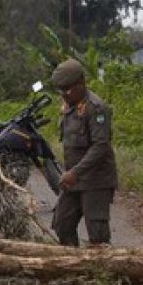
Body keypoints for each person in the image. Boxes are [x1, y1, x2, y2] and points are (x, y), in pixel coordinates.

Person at [51, 59, 118, 246]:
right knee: (61, 224)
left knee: (97, 233)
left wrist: (75, 172)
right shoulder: (68, 106)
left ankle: (102, 271)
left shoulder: (96, 108)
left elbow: (100, 147)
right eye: (60, 90)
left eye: (68, 89)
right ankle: (74, 266)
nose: (64, 94)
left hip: (95, 180)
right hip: (73, 180)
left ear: (81, 82)